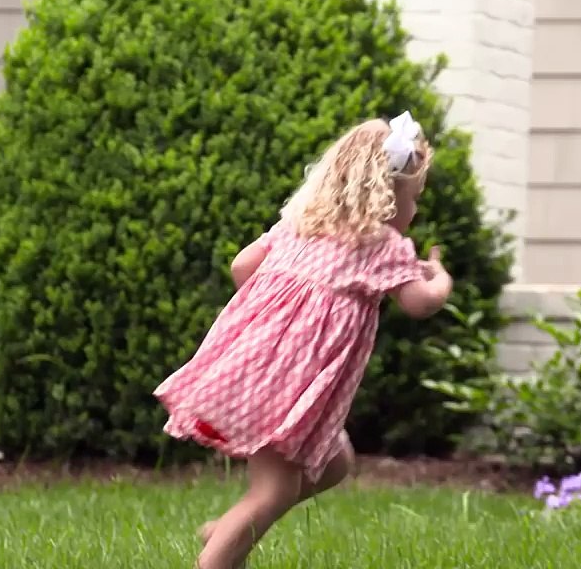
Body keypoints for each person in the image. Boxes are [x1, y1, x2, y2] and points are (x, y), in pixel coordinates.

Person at [154, 112, 454, 569]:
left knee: (335, 462)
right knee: (274, 492)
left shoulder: (299, 225)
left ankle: (236, 526)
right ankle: (224, 548)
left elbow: (241, 267)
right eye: (414, 199)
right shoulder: (383, 246)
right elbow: (421, 303)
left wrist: (281, 311)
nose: (414, 211)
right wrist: (440, 278)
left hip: (255, 368)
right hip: (287, 388)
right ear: (388, 200)